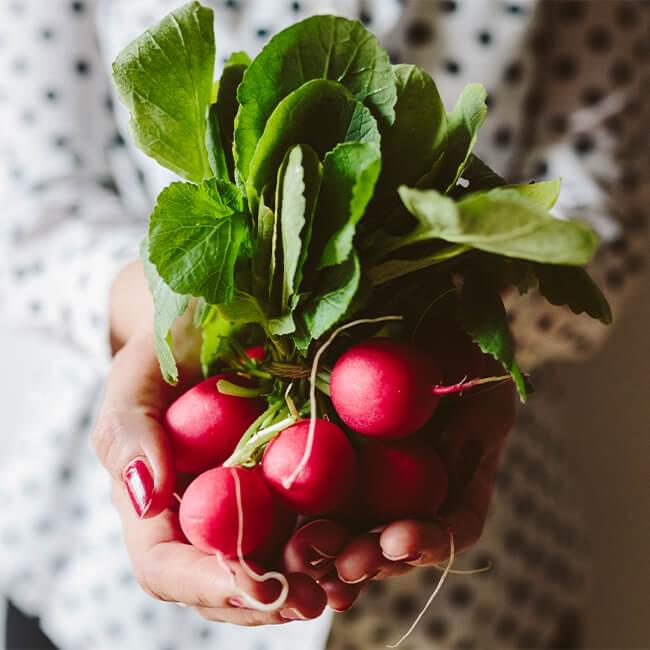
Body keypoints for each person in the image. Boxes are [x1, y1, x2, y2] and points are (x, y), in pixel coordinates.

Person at [1, 1, 647, 649]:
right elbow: (32, 211)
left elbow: (602, 231)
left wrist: (453, 325)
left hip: (477, 603)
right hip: (102, 592)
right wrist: (165, 319)